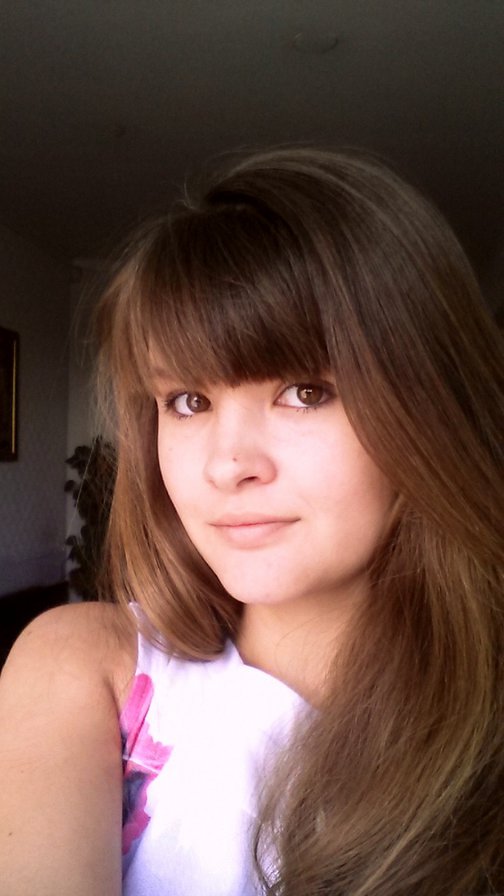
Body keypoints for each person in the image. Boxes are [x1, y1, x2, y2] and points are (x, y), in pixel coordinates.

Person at [0, 148, 502, 896]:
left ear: (430, 408)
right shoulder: (85, 670)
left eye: (306, 391)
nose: (227, 465)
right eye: (188, 402)